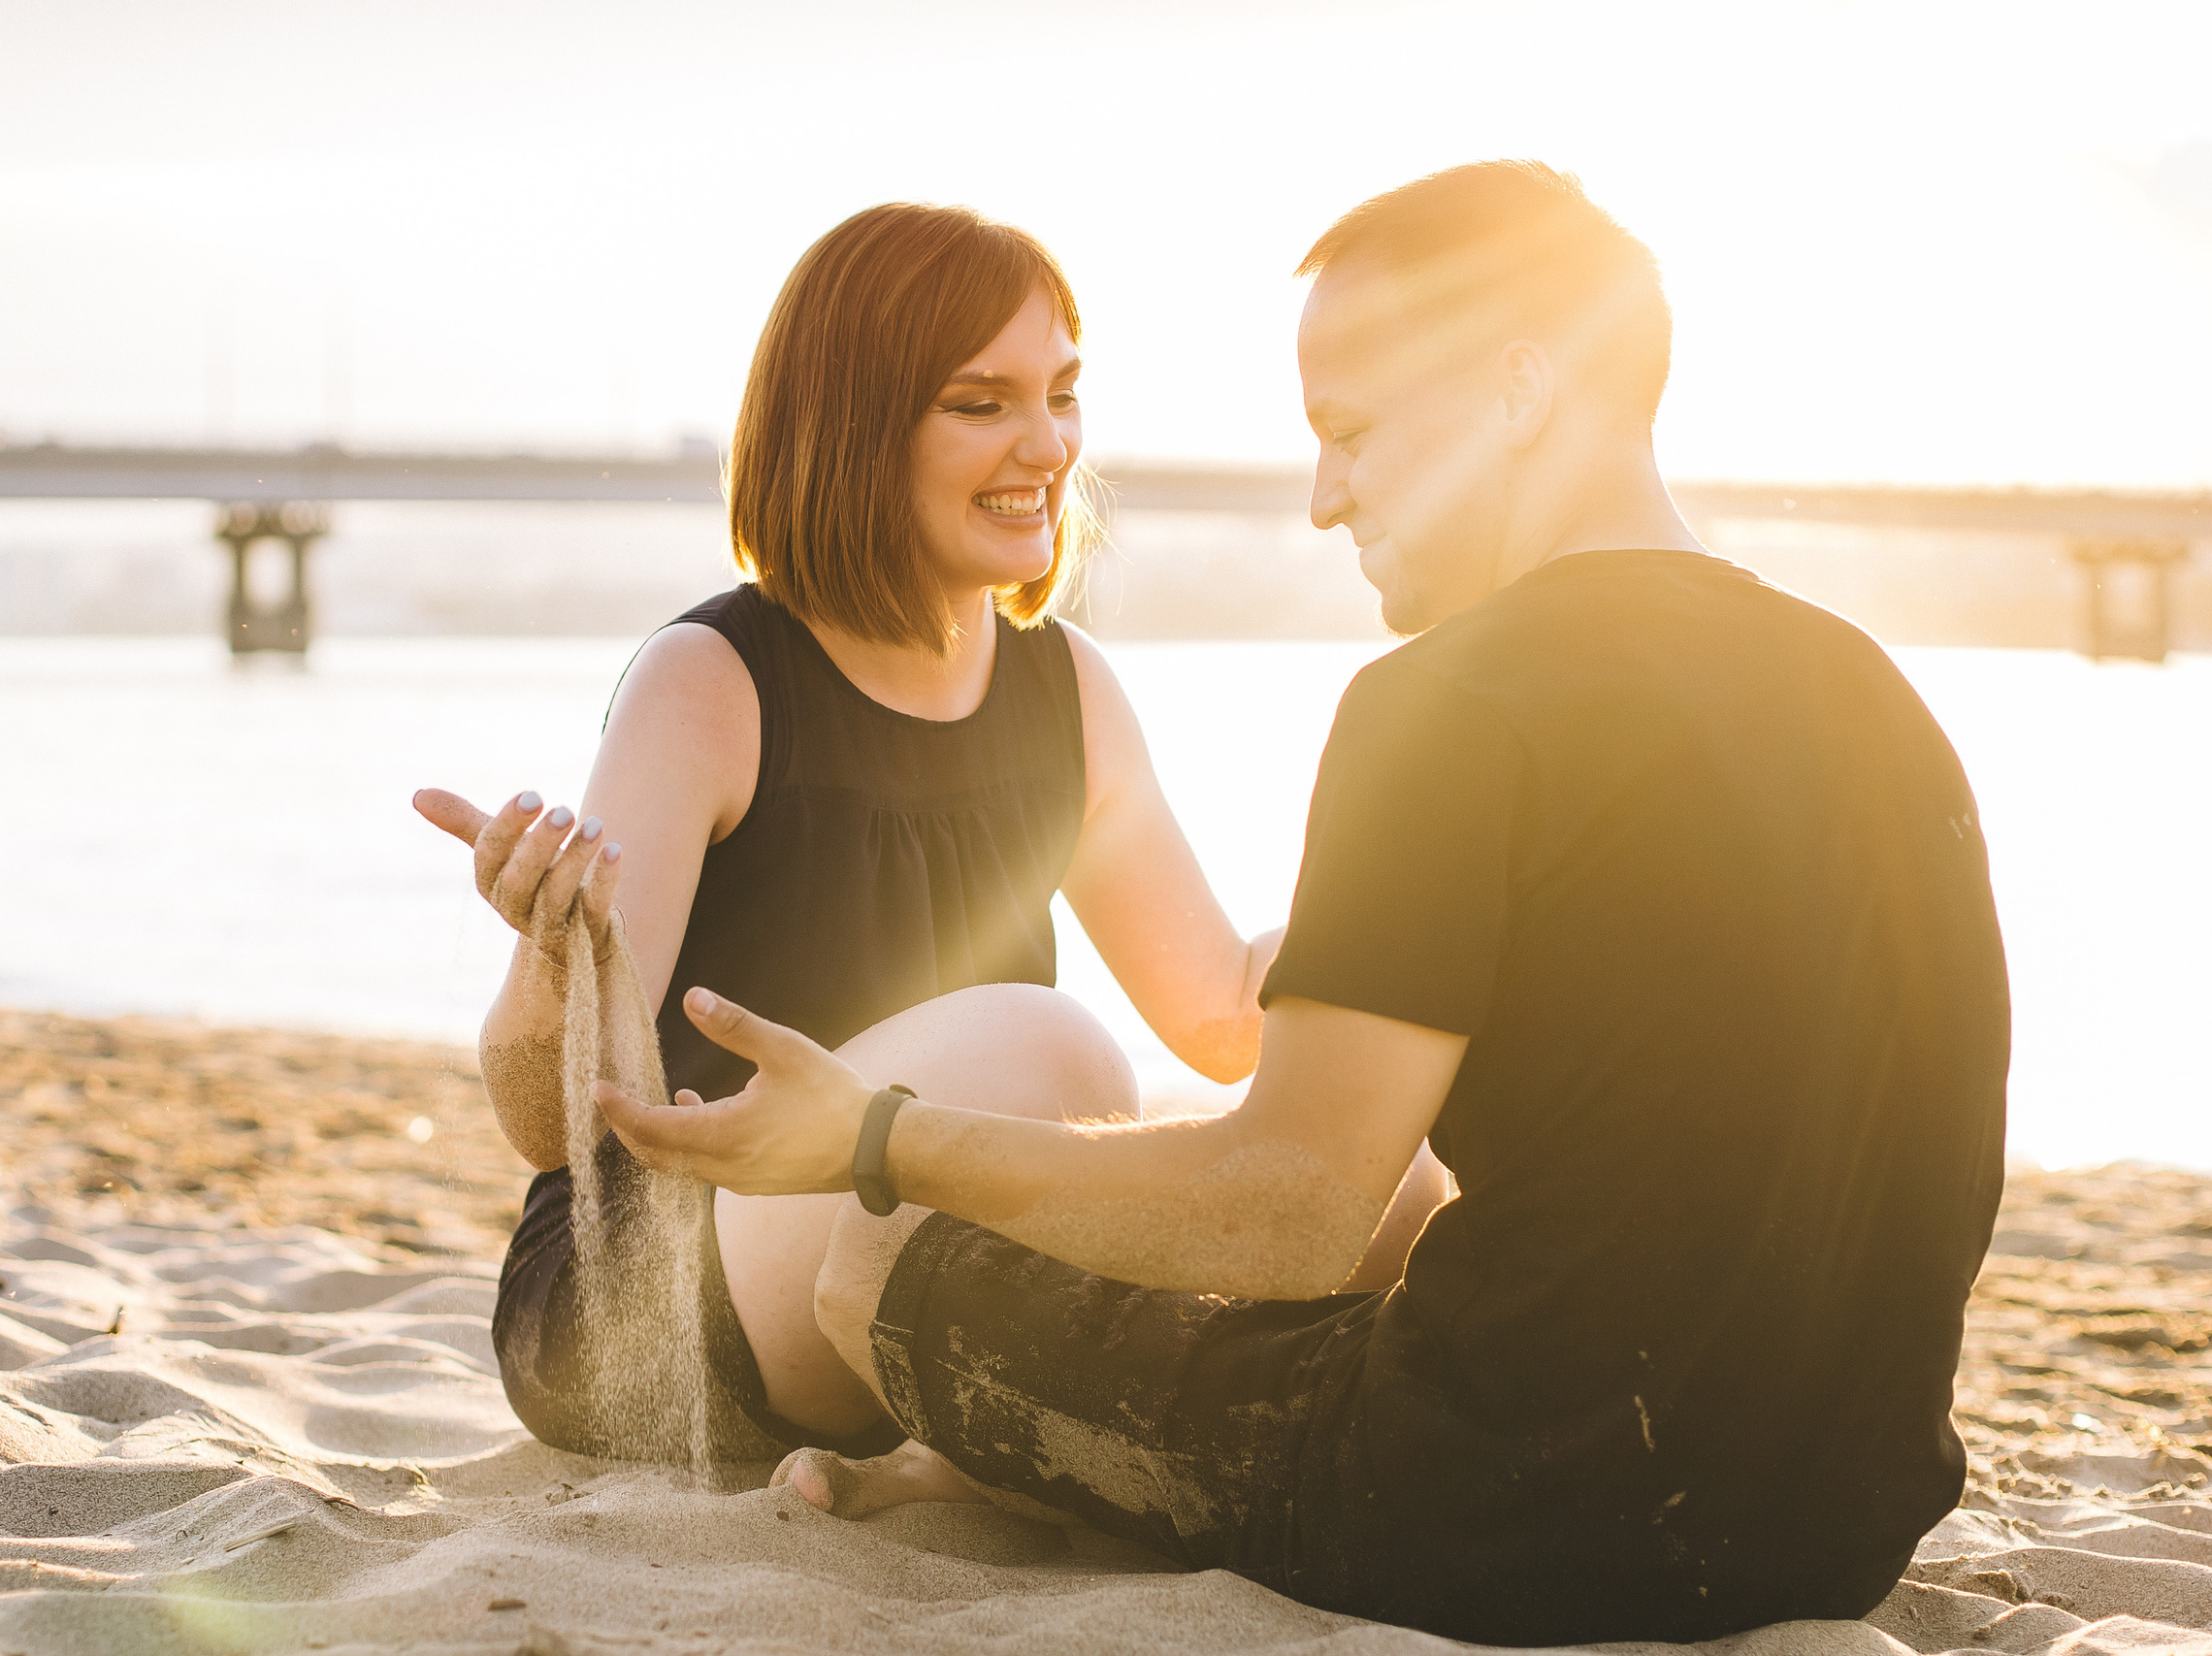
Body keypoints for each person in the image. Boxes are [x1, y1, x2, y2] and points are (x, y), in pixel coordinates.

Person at [590, 161, 2011, 1645]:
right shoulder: (1878, 692)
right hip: (1841, 1524)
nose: (1327, 496)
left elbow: (1285, 1210)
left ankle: (1000, 1464)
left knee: (884, 1248)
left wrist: (880, 1136)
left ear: (1522, 391)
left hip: (1502, 1513)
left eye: (1350, 433)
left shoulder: (1447, 700)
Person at [414, 203, 1447, 1463]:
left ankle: (957, 1464)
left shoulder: (1069, 689)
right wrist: (550, 959)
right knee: (1048, 1051)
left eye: (1062, 394)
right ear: (853, 427)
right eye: (982, 403)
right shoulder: (712, 680)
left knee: (1386, 1191)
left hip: (916, 1229)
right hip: (646, 1295)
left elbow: (1225, 1017)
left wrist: (1452, 913)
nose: (1049, 444)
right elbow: (563, 1126)